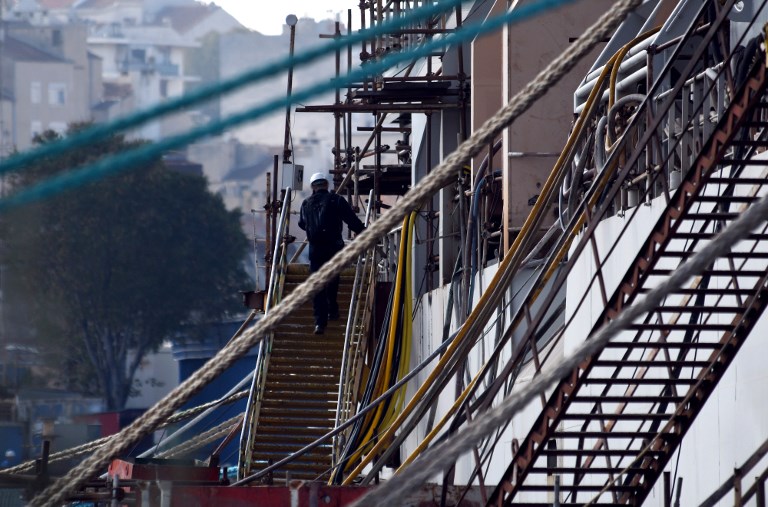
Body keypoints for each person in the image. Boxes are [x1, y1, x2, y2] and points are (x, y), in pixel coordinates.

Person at [299, 172, 365, 334]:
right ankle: (332, 310)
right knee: (333, 278)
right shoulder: (336, 200)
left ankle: (319, 323)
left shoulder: (306, 203)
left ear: (313, 187)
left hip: (315, 249)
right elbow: (351, 220)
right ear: (326, 185)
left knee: (317, 284)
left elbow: (302, 224)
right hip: (334, 246)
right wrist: (365, 232)